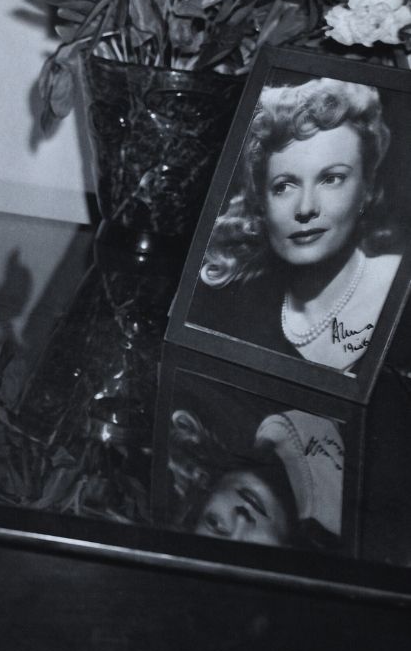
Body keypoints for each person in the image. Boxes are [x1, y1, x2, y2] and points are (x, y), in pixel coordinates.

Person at [196, 77, 405, 372]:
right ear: (261, 200)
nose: (306, 208)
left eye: (331, 179)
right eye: (283, 186)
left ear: (367, 188)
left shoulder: (402, 291)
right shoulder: (230, 309)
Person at [168, 405, 344, 549]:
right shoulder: (341, 513)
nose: (242, 519)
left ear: (204, 491)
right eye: (249, 550)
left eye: (214, 523)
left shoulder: (266, 422)